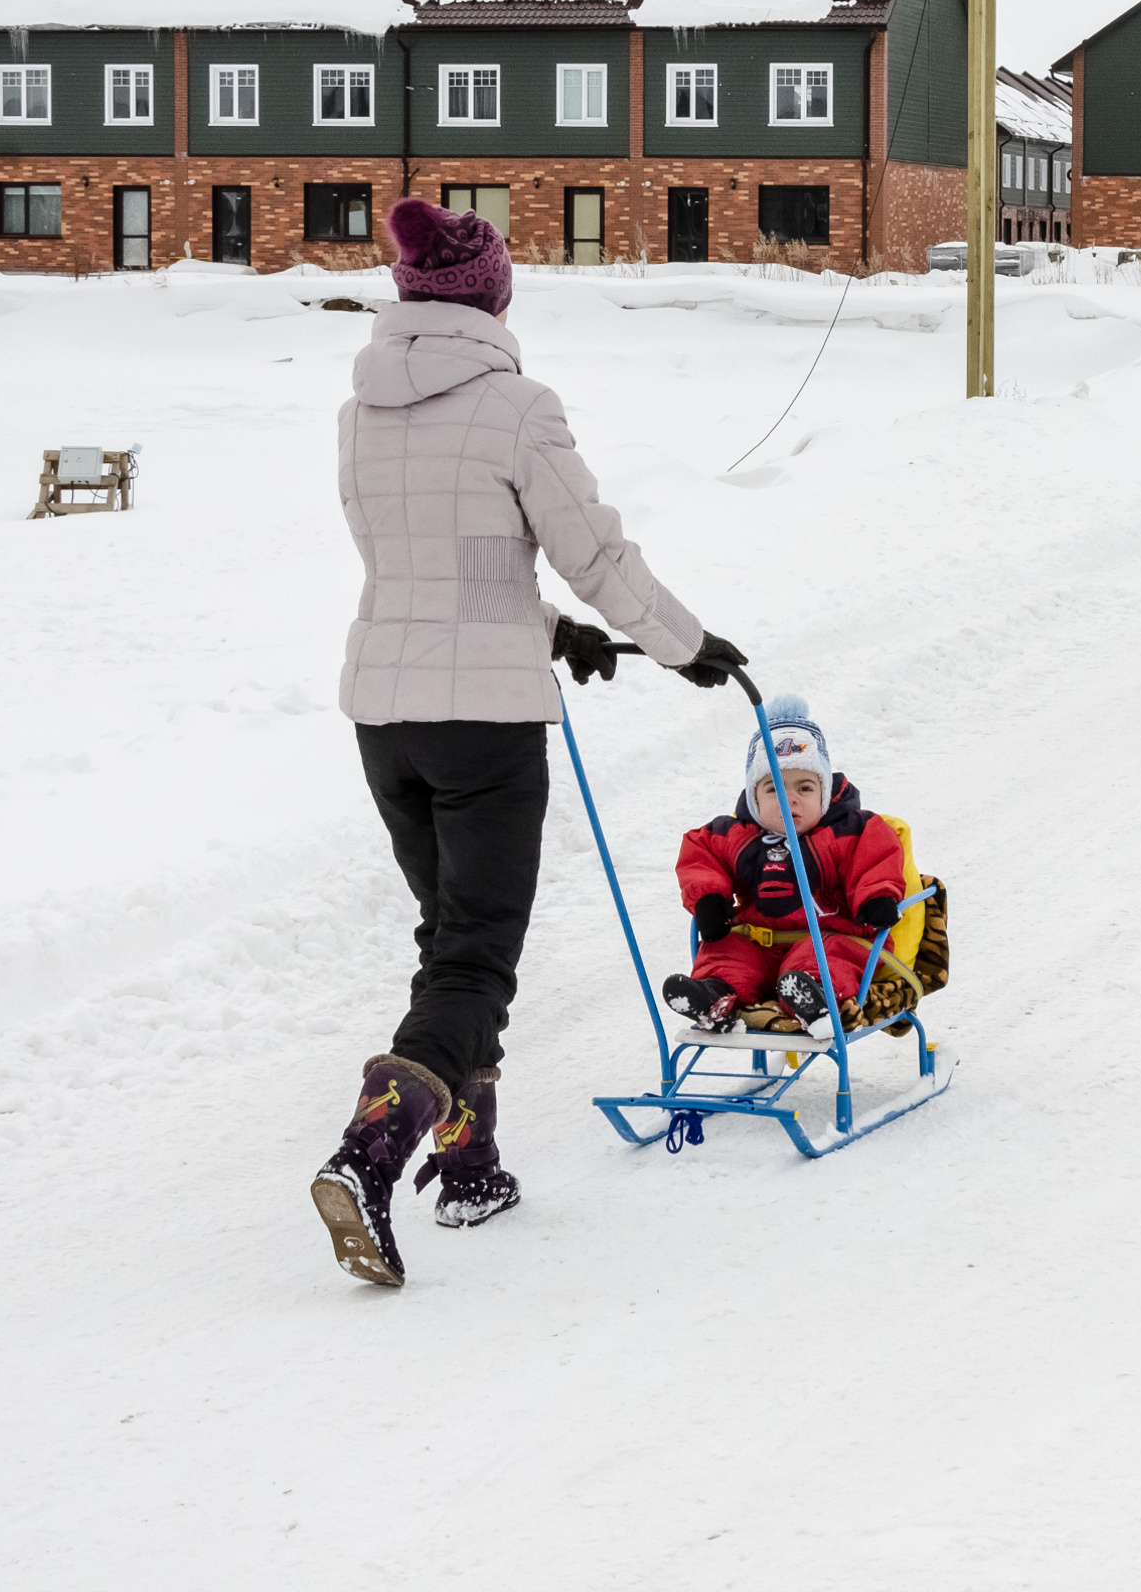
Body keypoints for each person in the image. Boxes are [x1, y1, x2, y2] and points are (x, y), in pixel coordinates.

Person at [311, 195, 748, 1290]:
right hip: (484, 728)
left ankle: (471, 1162)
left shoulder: (357, 412)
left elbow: (432, 566)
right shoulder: (518, 406)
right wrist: (682, 644)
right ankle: (374, 1146)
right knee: (474, 954)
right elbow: (593, 550)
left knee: (447, 932)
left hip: (385, 715)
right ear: (491, 293)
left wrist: (559, 632)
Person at [660, 695, 906, 1041]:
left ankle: (812, 998)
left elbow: (876, 860)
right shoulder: (736, 834)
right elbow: (700, 852)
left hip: (829, 938)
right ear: (753, 798)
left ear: (824, 791)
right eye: (773, 788)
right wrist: (709, 899)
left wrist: (876, 897)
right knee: (726, 951)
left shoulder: (851, 829)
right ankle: (713, 995)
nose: (790, 798)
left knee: (827, 956)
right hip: (758, 943)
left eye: (804, 788)